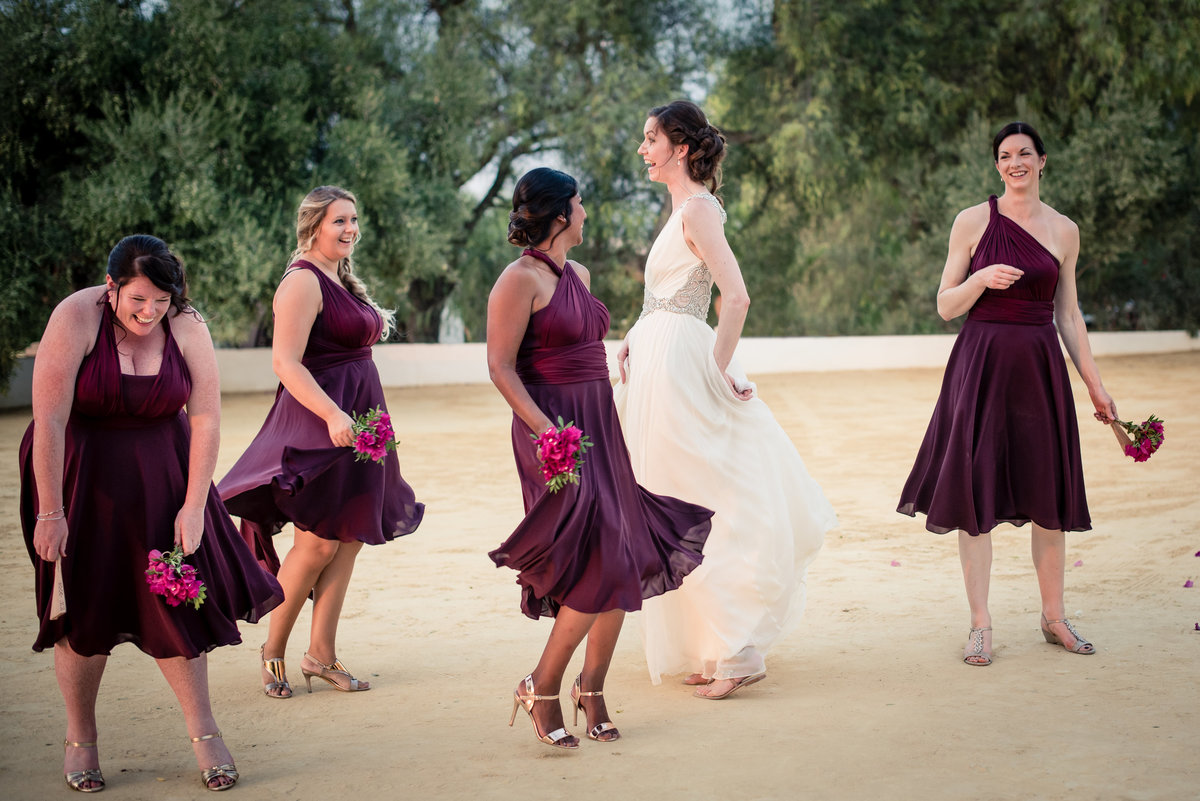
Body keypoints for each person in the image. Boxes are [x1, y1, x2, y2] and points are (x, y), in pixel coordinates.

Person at [19, 234, 284, 792]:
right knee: (84, 607)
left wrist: (193, 505)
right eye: (138, 299)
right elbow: (51, 419)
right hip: (79, 475)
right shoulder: (75, 316)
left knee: (177, 600)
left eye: (162, 301)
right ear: (111, 286)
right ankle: (81, 737)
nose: (149, 312)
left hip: (165, 473)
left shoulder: (187, 324)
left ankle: (205, 730)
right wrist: (50, 511)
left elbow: (207, 417)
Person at [613, 100, 837, 700]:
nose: (643, 149)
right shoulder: (678, 211)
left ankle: (738, 648)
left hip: (685, 367)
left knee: (702, 494)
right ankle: (715, 643)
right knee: (671, 495)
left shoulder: (700, 208)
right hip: (660, 363)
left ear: (680, 147)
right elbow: (664, 299)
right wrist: (634, 339)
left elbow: (734, 298)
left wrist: (714, 370)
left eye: (651, 139)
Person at [487, 167, 713, 748]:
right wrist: (546, 432)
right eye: (581, 203)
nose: (587, 211)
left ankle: (592, 687)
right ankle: (541, 685)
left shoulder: (579, 274)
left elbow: (588, 344)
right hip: (553, 434)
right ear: (561, 213)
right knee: (592, 561)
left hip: (600, 425)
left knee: (621, 554)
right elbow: (500, 368)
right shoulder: (518, 280)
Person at [897, 121, 1118, 666]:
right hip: (981, 367)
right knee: (976, 496)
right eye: (1004, 155)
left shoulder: (1065, 231)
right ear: (997, 165)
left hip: (1041, 370)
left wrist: (1094, 383)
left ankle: (1054, 617)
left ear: (1043, 161)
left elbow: (1068, 313)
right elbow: (946, 305)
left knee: (1048, 497)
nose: (1014, 163)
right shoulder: (973, 221)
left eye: (1024, 153)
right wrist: (979, 280)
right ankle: (980, 625)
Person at [219, 186, 423, 698]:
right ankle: (272, 654)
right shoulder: (302, 282)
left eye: (354, 219)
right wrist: (333, 414)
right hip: (321, 421)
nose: (351, 228)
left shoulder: (340, 277)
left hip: (362, 423)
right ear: (313, 225)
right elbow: (285, 362)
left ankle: (321, 656)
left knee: (350, 537)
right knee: (315, 543)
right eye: (340, 221)